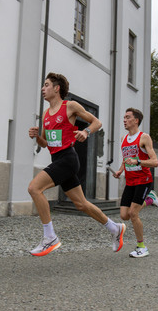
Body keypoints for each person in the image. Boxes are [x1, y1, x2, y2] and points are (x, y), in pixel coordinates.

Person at [28, 72, 126, 256]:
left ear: (57, 89)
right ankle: (115, 228)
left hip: (68, 159)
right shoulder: (46, 114)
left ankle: (50, 237)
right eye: (43, 85)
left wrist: (86, 132)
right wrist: (37, 137)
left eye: (47, 85)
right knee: (81, 204)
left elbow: (97, 122)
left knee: (34, 188)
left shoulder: (70, 106)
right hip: (57, 159)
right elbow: (46, 143)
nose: (43, 88)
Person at [112, 108, 158, 258]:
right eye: (124, 117)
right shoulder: (123, 139)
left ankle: (142, 247)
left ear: (136, 120)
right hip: (130, 181)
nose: (124, 120)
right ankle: (150, 199)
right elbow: (126, 158)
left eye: (127, 117)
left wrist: (138, 161)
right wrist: (121, 170)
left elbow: (155, 162)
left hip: (144, 180)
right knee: (124, 215)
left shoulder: (144, 137)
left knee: (133, 214)